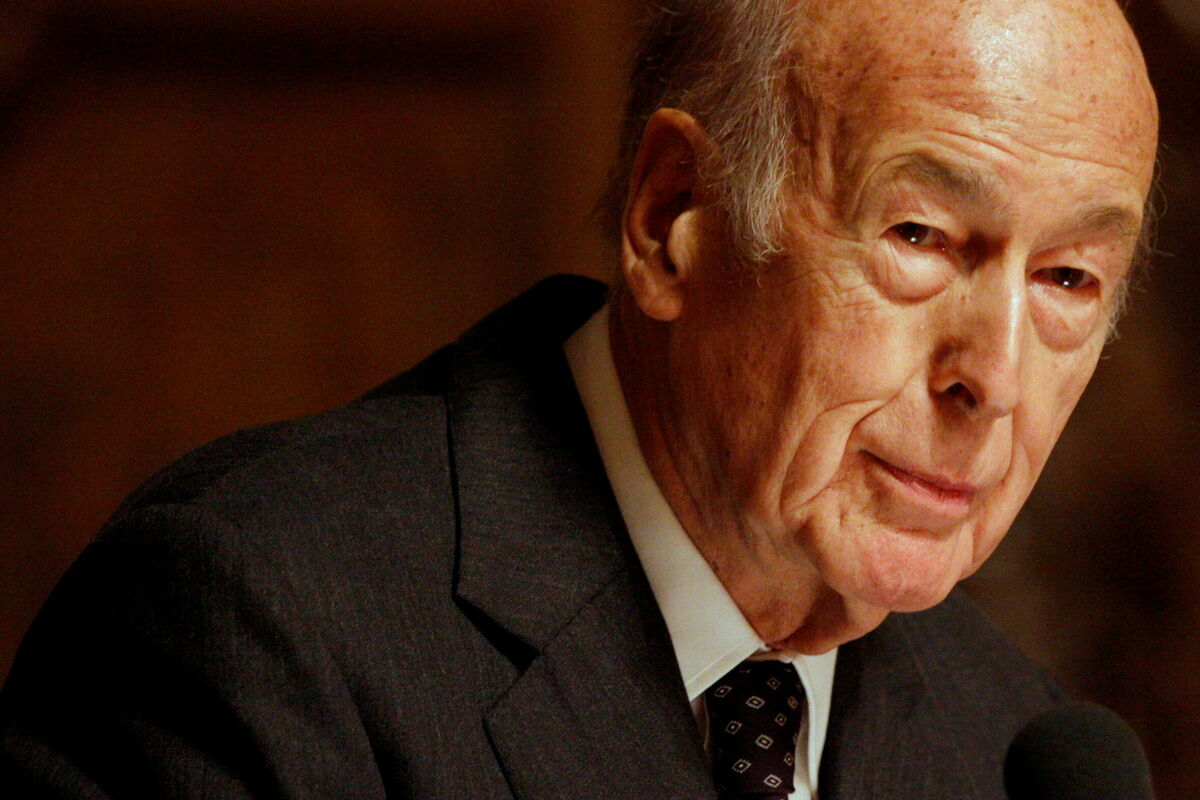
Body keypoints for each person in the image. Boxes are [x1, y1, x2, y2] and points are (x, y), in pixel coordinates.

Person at [0, 0, 1159, 797]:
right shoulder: (253, 625)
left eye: (1069, 278)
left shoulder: (1014, 739)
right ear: (671, 217)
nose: (994, 378)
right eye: (920, 235)